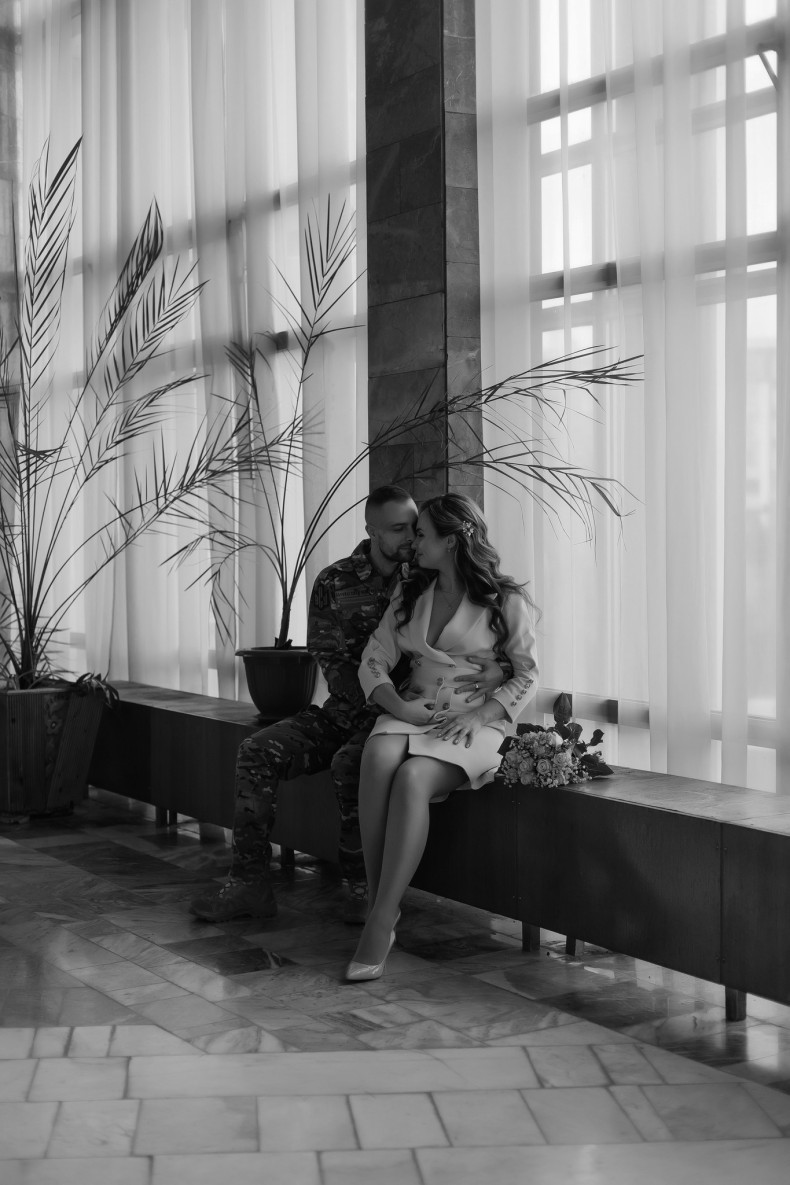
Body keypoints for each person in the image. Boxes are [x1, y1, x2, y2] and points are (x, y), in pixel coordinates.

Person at [190, 485, 505, 925]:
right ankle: (248, 883)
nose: (410, 539)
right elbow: (331, 660)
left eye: (415, 529)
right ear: (372, 530)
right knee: (256, 751)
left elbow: (475, 642)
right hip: (349, 712)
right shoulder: (334, 581)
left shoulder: (426, 576)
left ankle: (363, 889)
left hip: (407, 719)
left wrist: (497, 672)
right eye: (398, 530)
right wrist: (381, 702)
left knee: (351, 762)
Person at [346, 492, 538, 980]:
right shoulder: (411, 592)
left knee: (412, 778)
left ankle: (380, 919)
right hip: (413, 709)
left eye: (423, 535)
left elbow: (528, 674)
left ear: (451, 541)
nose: (414, 543)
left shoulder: (505, 599)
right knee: (377, 757)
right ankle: (380, 904)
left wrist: (481, 716)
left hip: (473, 720)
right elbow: (374, 657)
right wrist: (398, 707)